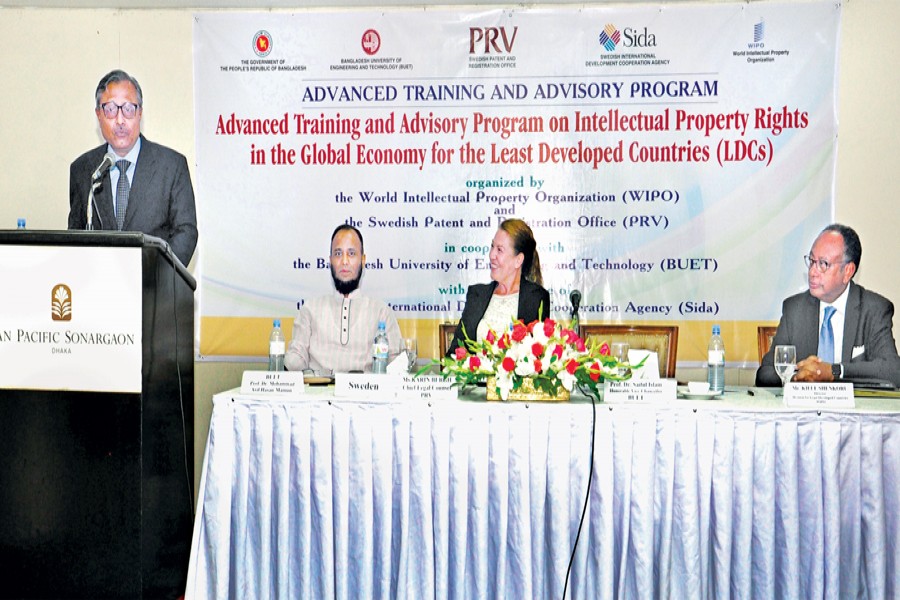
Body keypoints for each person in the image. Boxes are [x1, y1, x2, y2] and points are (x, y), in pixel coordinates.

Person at [68, 69, 198, 266]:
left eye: (128, 108)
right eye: (111, 109)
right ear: (98, 115)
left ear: (140, 113)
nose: (120, 120)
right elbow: (75, 239)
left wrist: (155, 277)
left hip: (154, 289)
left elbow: (186, 232)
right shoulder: (83, 170)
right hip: (100, 289)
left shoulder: (171, 166)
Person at [756, 224, 900, 387]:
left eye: (823, 264)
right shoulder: (795, 309)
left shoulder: (873, 309)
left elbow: (892, 371)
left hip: (853, 412)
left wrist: (834, 372)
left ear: (848, 271)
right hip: (804, 411)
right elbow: (765, 373)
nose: (812, 272)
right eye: (811, 261)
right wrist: (799, 377)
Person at [285, 224, 401, 374]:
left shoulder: (381, 312)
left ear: (363, 260)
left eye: (351, 253)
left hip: (366, 395)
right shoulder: (310, 309)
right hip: (319, 395)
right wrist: (282, 361)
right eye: (338, 253)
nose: (344, 261)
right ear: (330, 260)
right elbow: (296, 357)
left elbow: (395, 366)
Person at [446, 218, 551, 355]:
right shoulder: (477, 294)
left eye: (499, 250)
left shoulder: (536, 298)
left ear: (518, 260)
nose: (491, 255)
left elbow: (537, 356)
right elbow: (455, 352)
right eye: (492, 246)